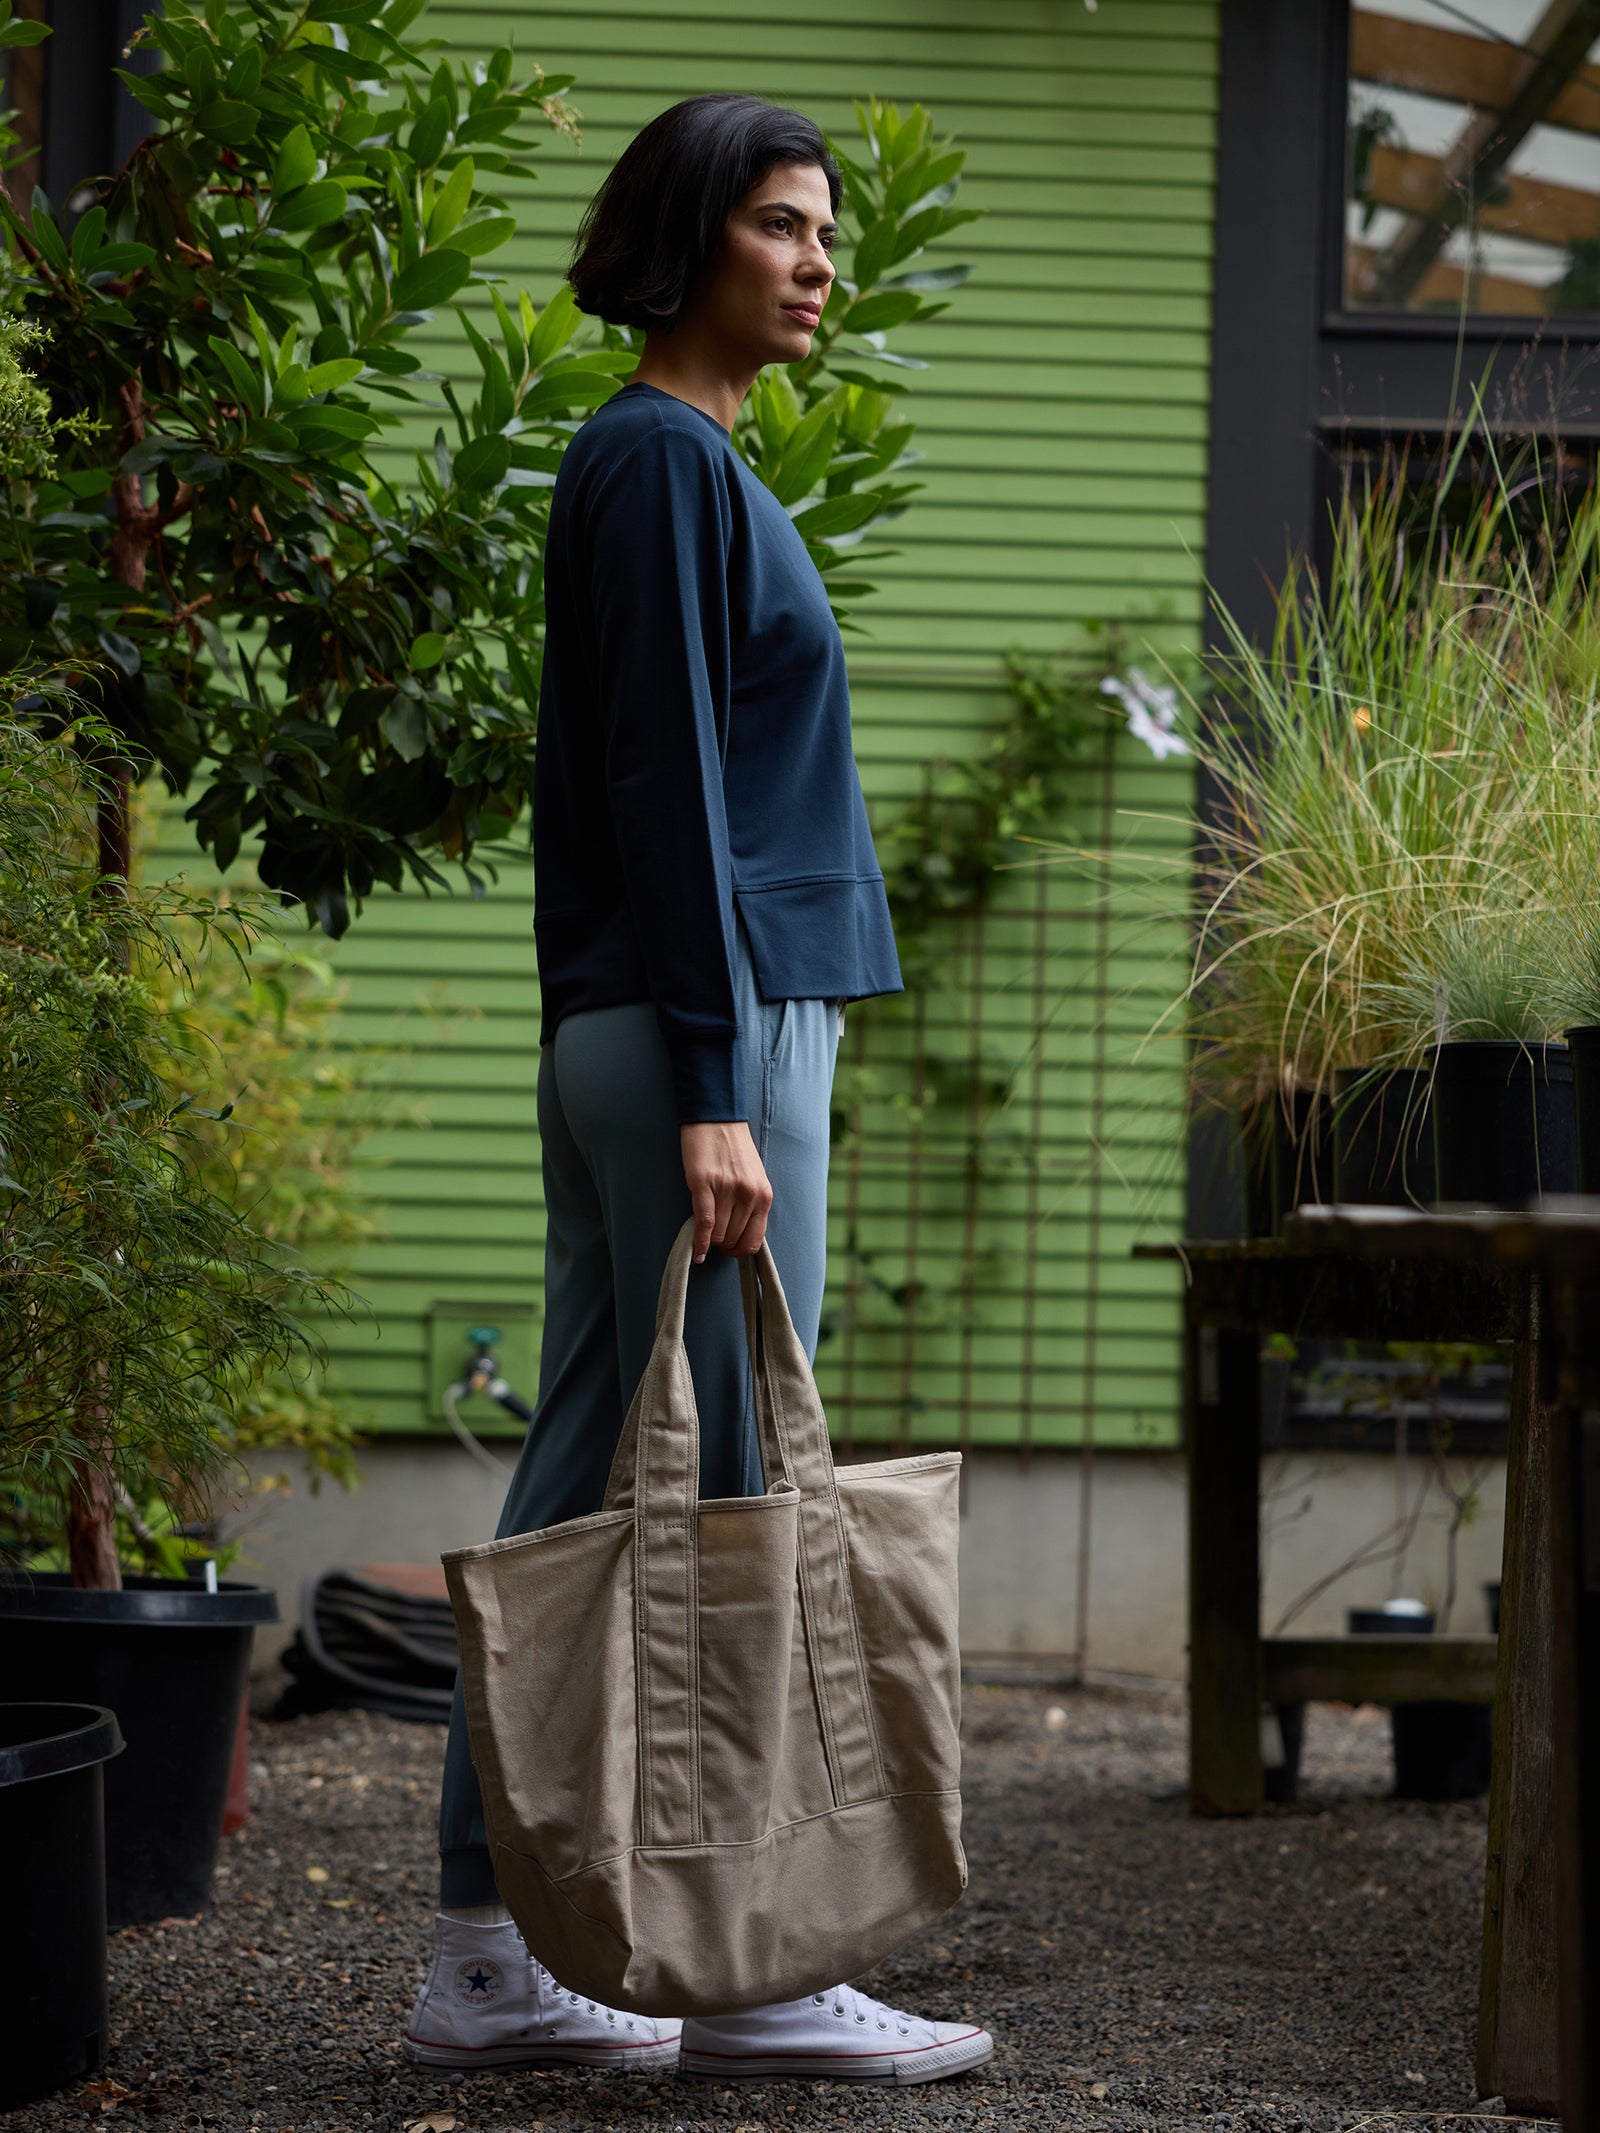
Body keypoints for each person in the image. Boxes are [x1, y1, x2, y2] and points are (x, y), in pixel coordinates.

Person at [402, 92, 994, 2088]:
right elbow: (661, 779)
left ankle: (486, 1945)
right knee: (730, 1475)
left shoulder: (681, 464)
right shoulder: (659, 460)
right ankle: (750, 1968)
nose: (817, 259)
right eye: (778, 224)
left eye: (823, 231)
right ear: (683, 239)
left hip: (655, 1024)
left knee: (591, 1459)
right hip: (702, 1027)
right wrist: (723, 1085)